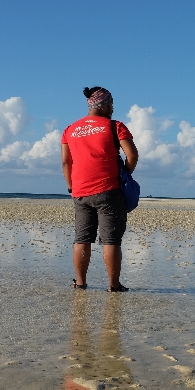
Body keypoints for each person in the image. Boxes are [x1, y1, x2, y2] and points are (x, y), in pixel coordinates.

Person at [61, 86, 139, 292]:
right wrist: (125, 175)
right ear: (104, 105)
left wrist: (71, 186)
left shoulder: (70, 129)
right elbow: (132, 156)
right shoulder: (115, 126)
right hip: (108, 190)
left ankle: (80, 283)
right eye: (111, 103)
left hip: (79, 191)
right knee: (111, 240)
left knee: (81, 238)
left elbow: (65, 162)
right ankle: (113, 286)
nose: (113, 107)